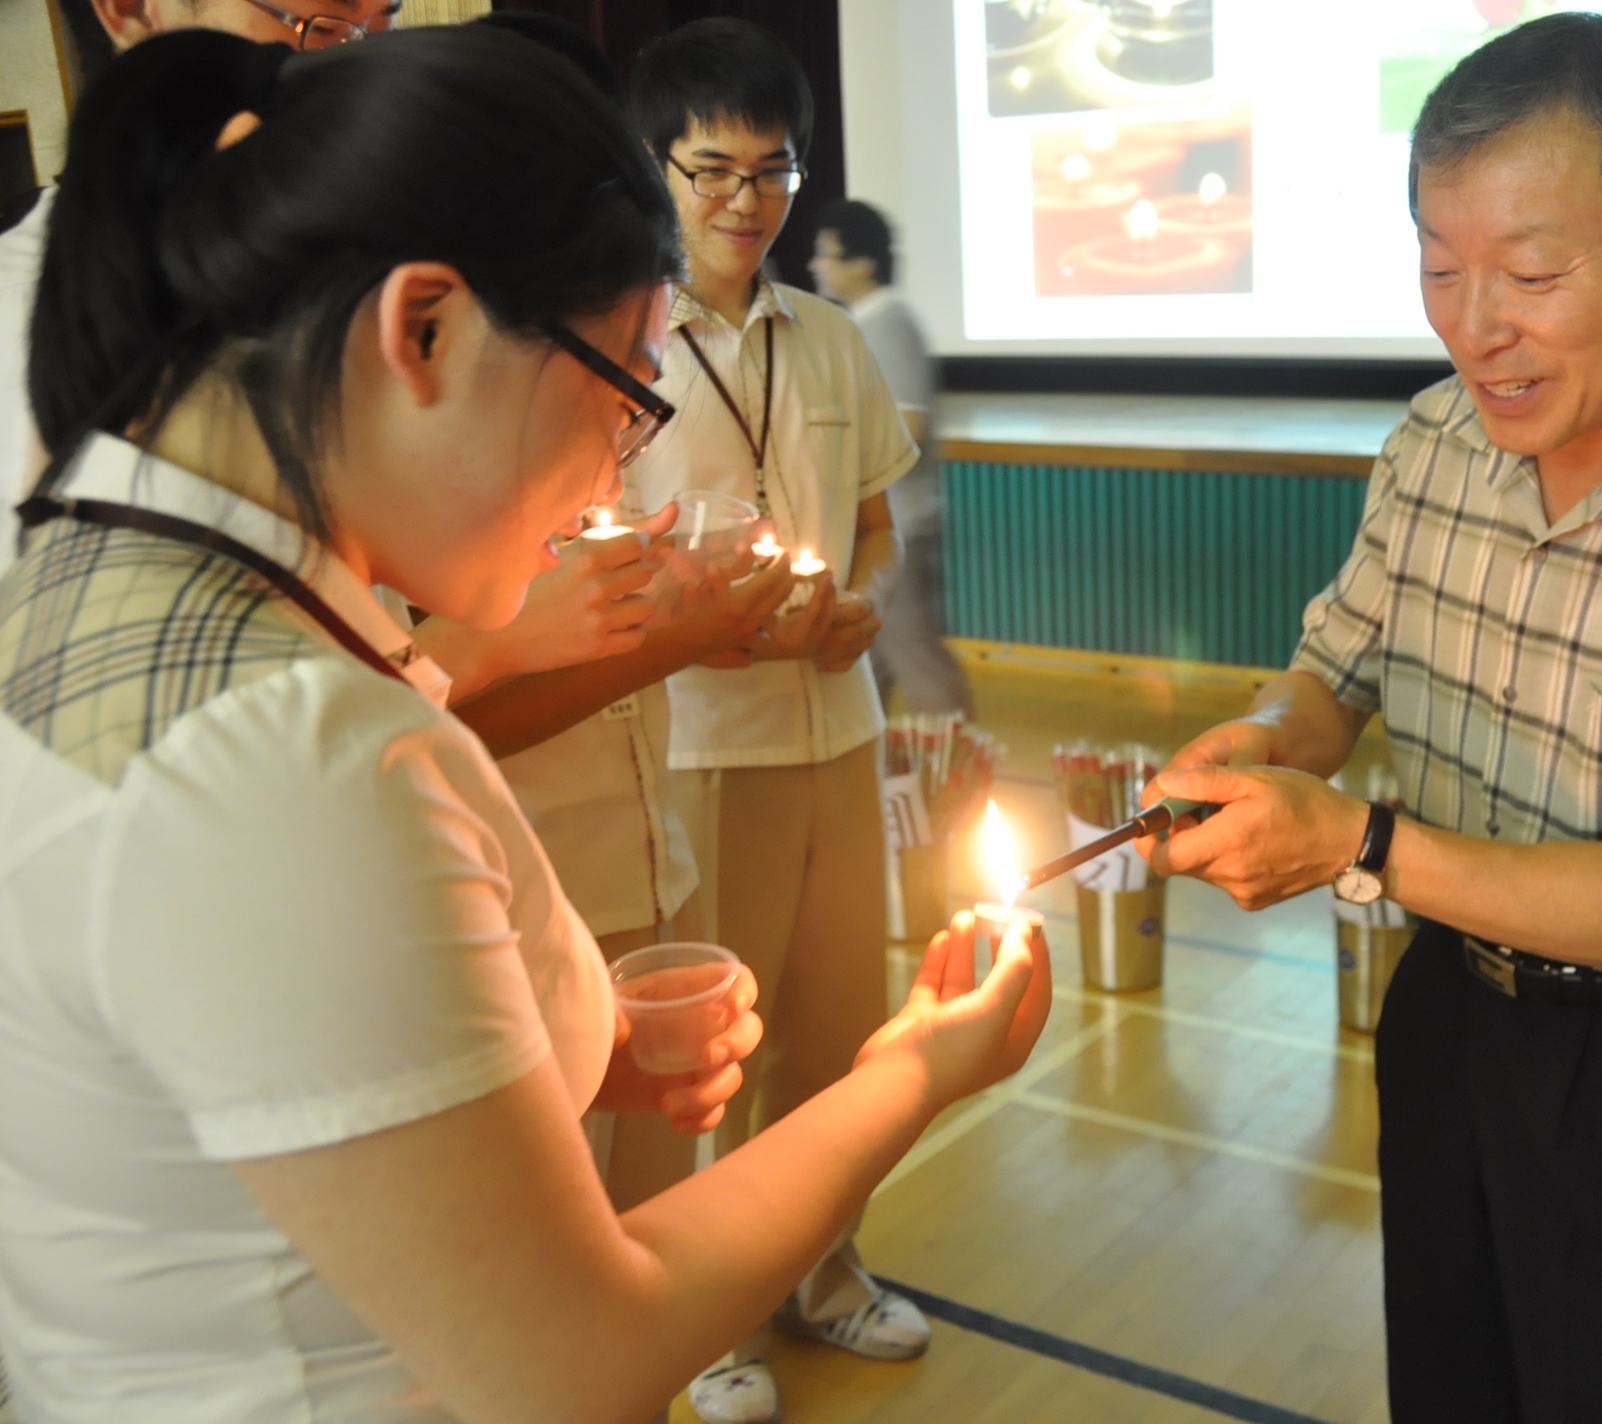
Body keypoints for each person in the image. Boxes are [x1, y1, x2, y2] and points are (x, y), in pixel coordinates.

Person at [0, 28, 1048, 1424]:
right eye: (620, 389)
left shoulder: (100, 557)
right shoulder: (287, 754)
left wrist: (573, 1029)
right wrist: (913, 1072)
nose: (617, 469)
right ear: (421, 327)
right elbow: (576, 1361)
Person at [1138, 16, 1602, 1423]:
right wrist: (1263, 742)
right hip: (1451, 1013)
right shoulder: (1435, 443)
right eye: (1440, 268)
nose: (1474, 326)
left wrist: (1352, 840)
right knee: (1449, 1380)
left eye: (1532, 275)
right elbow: (1337, 670)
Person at [625, 22, 926, 1422]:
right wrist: (717, 620)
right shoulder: (621, 343)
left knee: (841, 1020)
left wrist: (861, 604)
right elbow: (595, 564)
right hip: (703, 741)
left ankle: (826, 1272)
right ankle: (704, 1321)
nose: (746, 202)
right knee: (720, 1048)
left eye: (773, 171)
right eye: (713, 170)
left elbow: (874, 528)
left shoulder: (831, 339)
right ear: (656, 167)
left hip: (837, 724)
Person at [0, 0, 401, 582]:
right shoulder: (21, 312)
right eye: (324, 23)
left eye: (381, 25)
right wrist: (464, 652)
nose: (358, 63)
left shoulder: (335, 254)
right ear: (131, 8)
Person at [809, 198, 975, 717]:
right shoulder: (860, 324)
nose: (817, 266)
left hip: (900, 524)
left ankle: (959, 779)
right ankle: (886, 783)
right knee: (872, 665)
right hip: (876, 526)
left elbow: (910, 424)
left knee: (916, 658)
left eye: (828, 254)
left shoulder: (891, 324)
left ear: (863, 263)